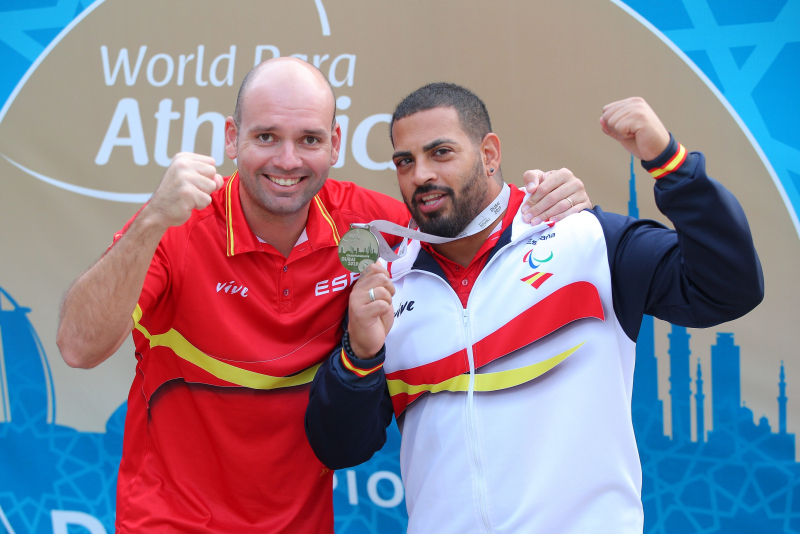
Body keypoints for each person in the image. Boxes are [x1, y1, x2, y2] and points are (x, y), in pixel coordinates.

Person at [55, 60, 590, 532]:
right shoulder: (177, 224)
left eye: (309, 140)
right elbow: (79, 347)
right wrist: (150, 219)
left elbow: (469, 222)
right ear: (230, 137)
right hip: (168, 524)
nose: (288, 160)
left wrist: (542, 197)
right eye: (266, 137)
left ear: (335, 144)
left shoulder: (370, 222)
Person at [305, 84, 764, 533]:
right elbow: (339, 448)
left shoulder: (582, 239)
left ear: (489, 154)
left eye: (440, 152)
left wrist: (671, 163)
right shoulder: (389, 284)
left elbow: (729, 287)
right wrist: (359, 357)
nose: (421, 174)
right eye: (405, 161)